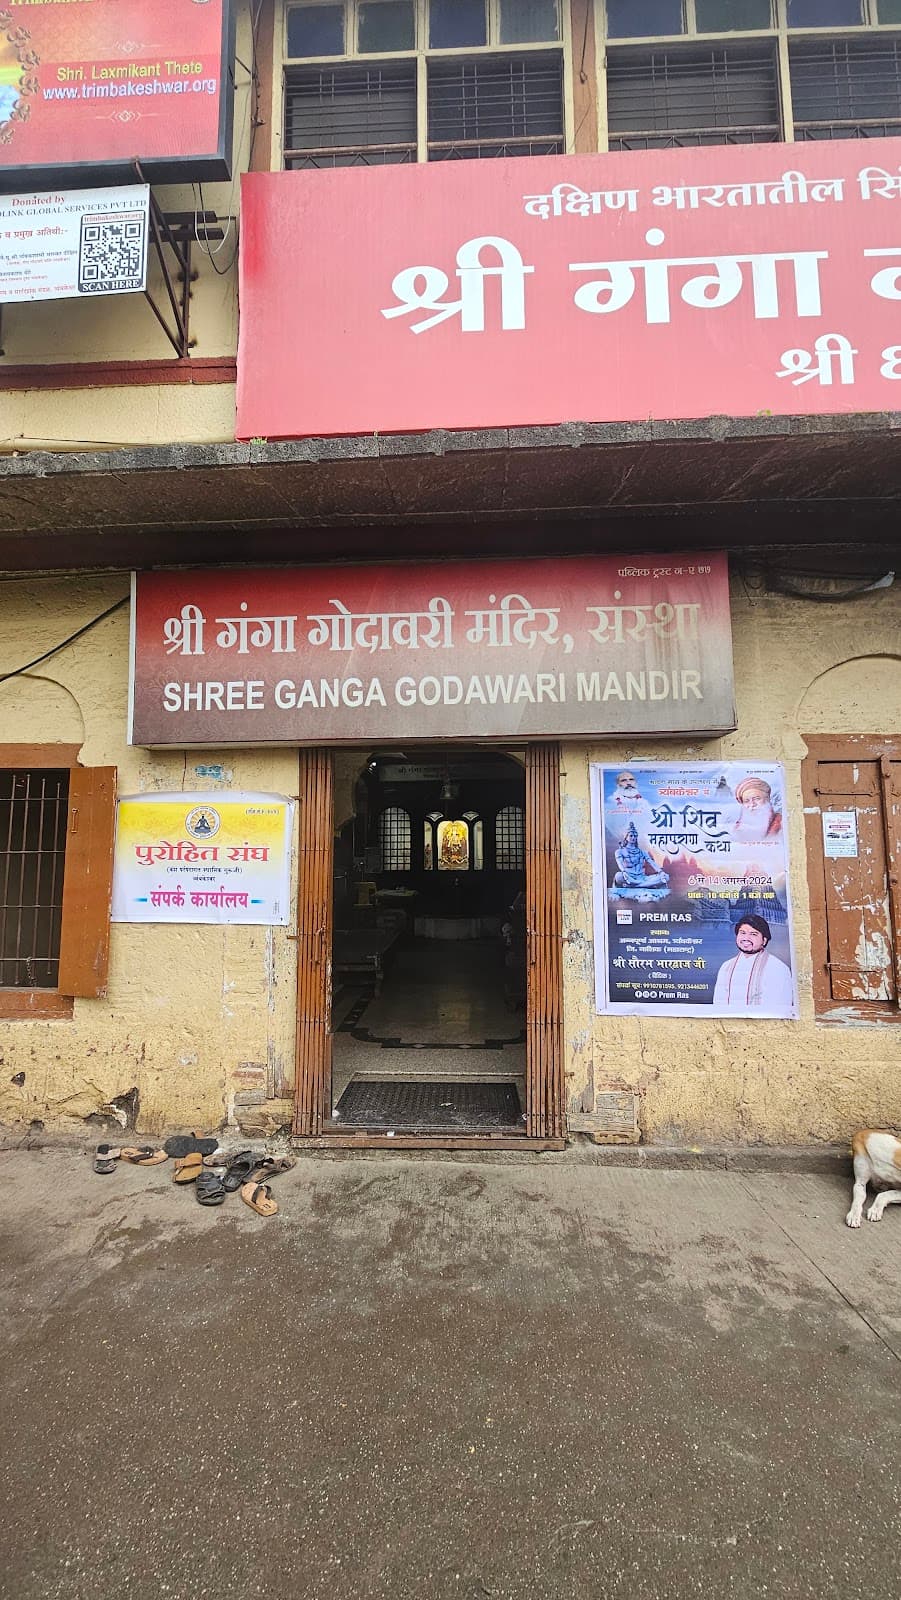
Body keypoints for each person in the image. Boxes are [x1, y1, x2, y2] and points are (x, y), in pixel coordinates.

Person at [713, 915, 793, 1013]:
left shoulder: (777, 968)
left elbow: (779, 1010)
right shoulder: (726, 967)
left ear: (764, 940)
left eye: (753, 934)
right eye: (742, 933)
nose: (746, 938)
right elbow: (718, 1005)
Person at [612, 822, 669, 893]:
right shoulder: (619, 851)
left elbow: (652, 862)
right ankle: (646, 885)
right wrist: (623, 872)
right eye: (631, 836)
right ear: (626, 837)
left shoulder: (643, 852)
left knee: (665, 877)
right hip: (628, 876)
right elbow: (619, 863)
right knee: (618, 876)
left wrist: (660, 872)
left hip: (642, 878)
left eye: (635, 836)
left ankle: (636, 886)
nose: (633, 838)